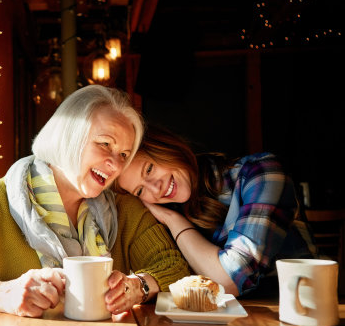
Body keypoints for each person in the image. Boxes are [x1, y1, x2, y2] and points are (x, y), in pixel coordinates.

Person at [0, 85, 190, 318]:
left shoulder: (125, 208)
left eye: (123, 154)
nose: (114, 163)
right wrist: (1, 294)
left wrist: (139, 285)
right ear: (68, 135)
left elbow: (174, 267)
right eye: (105, 144)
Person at [116, 124, 318, 297]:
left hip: (299, 313)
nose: (155, 188)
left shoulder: (262, 172)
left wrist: (174, 221)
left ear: (167, 147)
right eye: (140, 190)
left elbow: (229, 280)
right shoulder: (169, 209)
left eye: (149, 169)